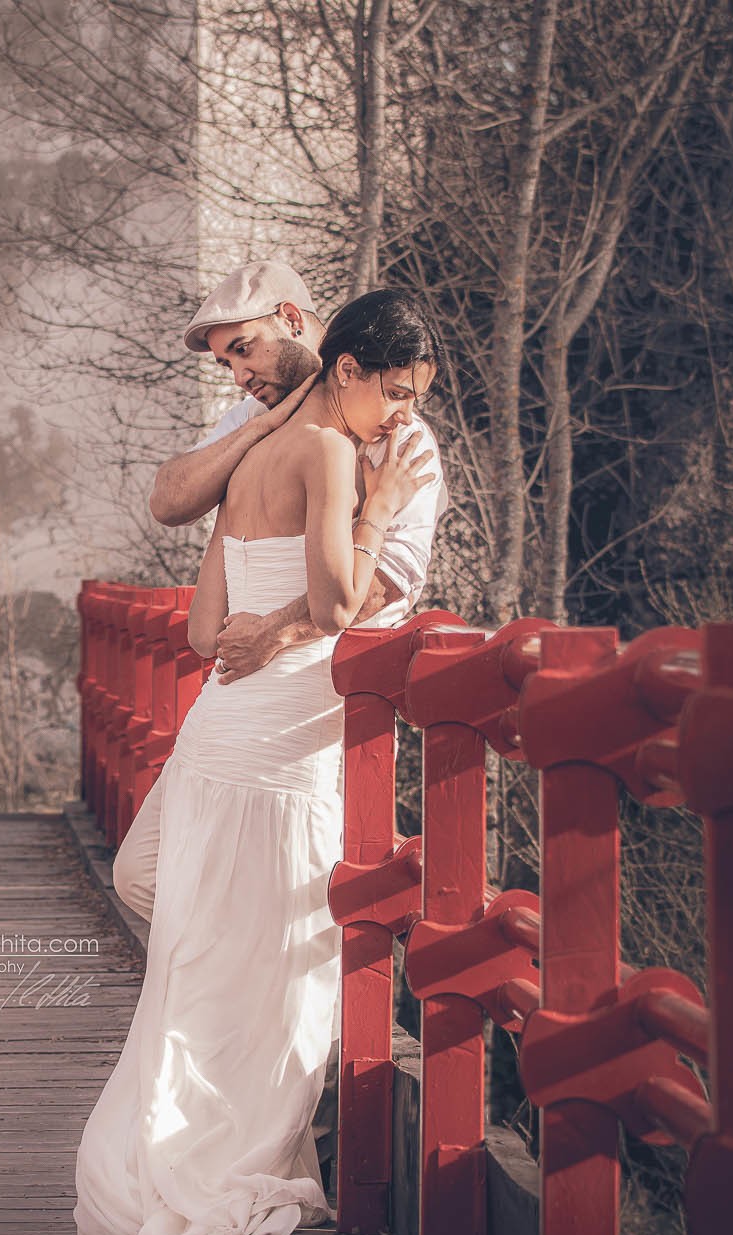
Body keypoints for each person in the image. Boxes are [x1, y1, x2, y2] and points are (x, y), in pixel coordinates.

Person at [72, 289, 442, 1235]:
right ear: (348, 371)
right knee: (284, 941)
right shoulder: (329, 454)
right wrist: (381, 509)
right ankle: (228, 1141)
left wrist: (269, 618)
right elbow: (334, 597)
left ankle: (183, 1130)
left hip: (225, 720)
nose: (400, 414)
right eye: (392, 392)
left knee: (221, 929)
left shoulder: (255, 457)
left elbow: (200, 632)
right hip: (287, 726)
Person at [114, 259, 448, 921]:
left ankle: (266, 1017)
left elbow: (384, 584)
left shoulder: (399, 433)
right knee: (180, 885)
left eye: (245, 349)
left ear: (294, 321)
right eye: (227, 364)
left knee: (298, 907)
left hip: (325, 713)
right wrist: (259, 430)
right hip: (243, 706)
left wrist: (274, 631)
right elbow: (168, 500)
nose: (240, 375)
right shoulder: (252, 421)